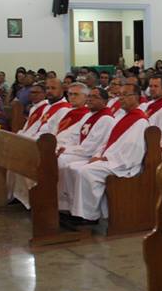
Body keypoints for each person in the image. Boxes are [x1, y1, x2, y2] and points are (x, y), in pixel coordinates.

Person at [58, 85, 148, 223]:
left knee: (86, 172)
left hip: (123, 164)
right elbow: (107, 141)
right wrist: (99, 154)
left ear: (136, 97)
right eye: (120, 95)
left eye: (125, 95)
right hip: (108, 159)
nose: (121, 98)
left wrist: (105, 158)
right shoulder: (122, 117)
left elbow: (133, 150)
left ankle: (89, 216)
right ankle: (72, 209)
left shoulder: (140, 121)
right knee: (72, 167)